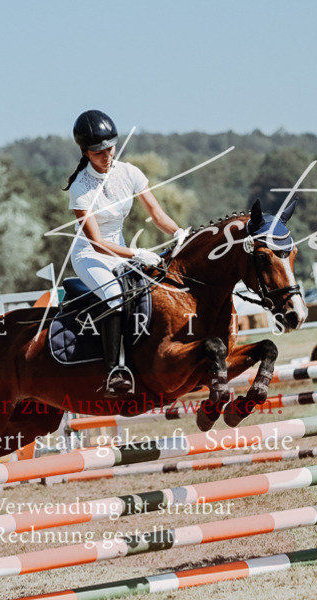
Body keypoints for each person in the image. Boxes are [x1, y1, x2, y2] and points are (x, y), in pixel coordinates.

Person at [65, 109, 186, 397]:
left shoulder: (130, 172)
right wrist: (136, 254)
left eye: (110, 148)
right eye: (98, 152)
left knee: (156, 288)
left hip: (122, 251)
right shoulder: (81, 188)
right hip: (90, 255)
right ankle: (114, 371)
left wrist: (179, 233)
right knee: (114, 296)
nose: (106, 156)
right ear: (85, 152)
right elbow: (96, 242)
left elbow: (157, 213)